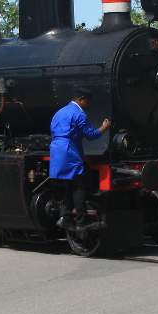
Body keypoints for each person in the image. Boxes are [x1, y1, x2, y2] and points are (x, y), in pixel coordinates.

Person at [50, 88, 111, 228]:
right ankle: (81, 221)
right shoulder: (79, 114)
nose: (88, 104)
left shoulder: (59, 112)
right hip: (69, 152)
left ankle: (65, 217)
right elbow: (90, 135)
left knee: (69, 184)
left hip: (57, 151)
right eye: (87, 101)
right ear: (81, 99)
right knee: (80, 184)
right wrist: (104, 127)